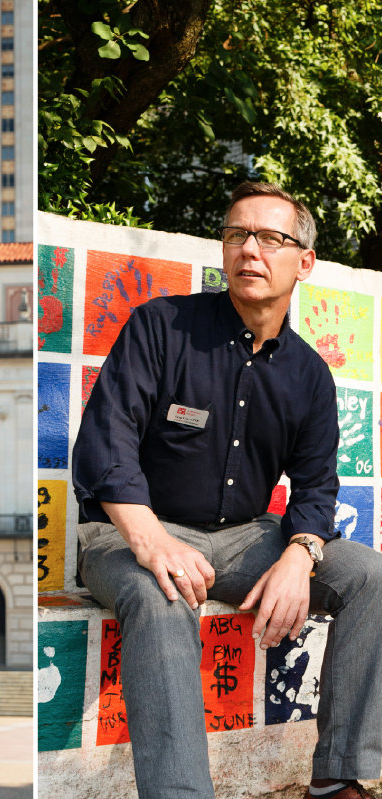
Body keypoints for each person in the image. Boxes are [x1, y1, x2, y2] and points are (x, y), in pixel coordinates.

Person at [72, 181, 382, 799]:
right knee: (162, 595)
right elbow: (106, 446)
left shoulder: (309, 375)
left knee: (369, 575)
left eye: (272, 238)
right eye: (238, 235)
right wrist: (153, 541)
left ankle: (338, 775)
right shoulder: (161, 327)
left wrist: (301, 552)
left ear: (305, 262)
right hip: (128, 531)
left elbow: (318, 485)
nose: (250, 250)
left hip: (244, 539)